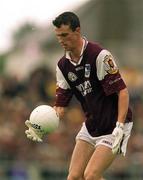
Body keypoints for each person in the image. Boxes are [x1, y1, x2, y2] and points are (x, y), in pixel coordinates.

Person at [25, 12, 133, 180]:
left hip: (114, 125)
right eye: (58, 36)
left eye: (65, 35)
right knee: (74, 177)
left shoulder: (99, 55)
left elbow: (123, 91)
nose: (61, 40)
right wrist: (42, 126)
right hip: (91, 125)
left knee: (91, 175)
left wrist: (119, 125)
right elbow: (60, 106)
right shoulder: (62, 66)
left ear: (77, 31)